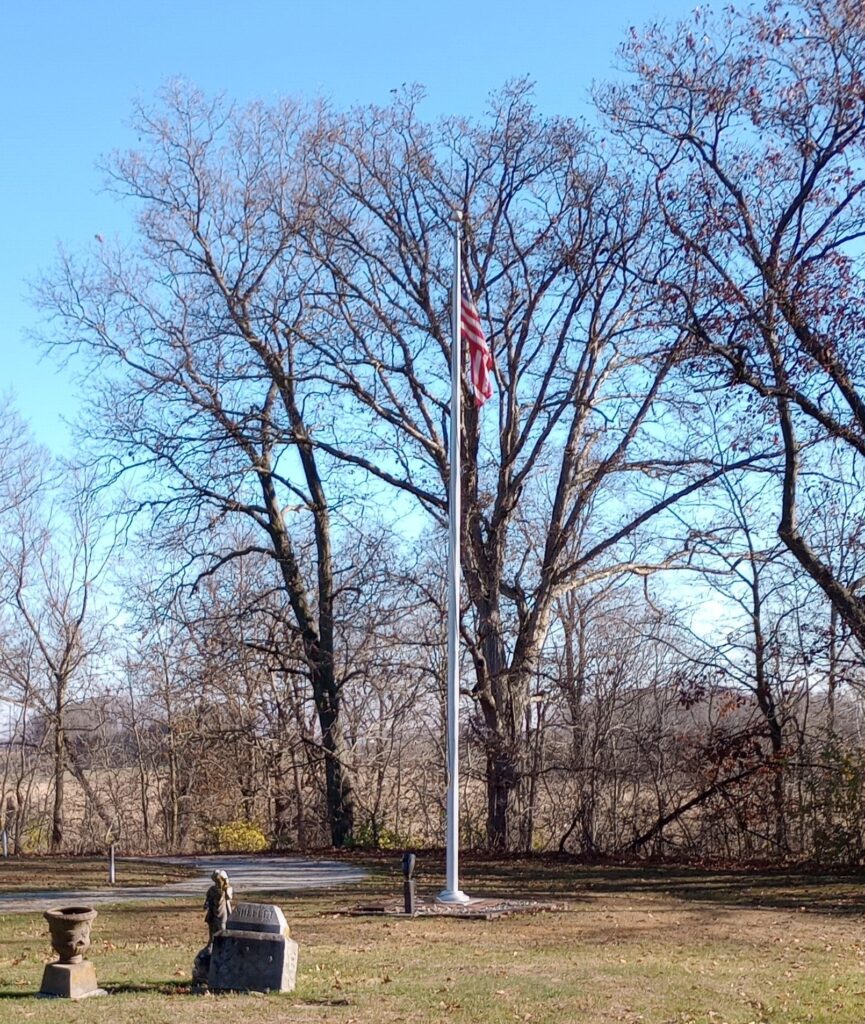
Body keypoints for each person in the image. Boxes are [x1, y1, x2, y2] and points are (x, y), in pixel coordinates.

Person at [203, 870, 233, 946]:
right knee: (212, 930)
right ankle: (211, 945)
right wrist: (206, 904)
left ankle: (223, 945)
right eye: (216, 881)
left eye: (219, 881)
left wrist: (226, 888)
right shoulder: (212, 890)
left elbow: (229, 897)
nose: (218, 883)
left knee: (222, 928)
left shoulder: (226, 889)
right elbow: (208, 899)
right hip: (213, 913)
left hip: (222, 912)